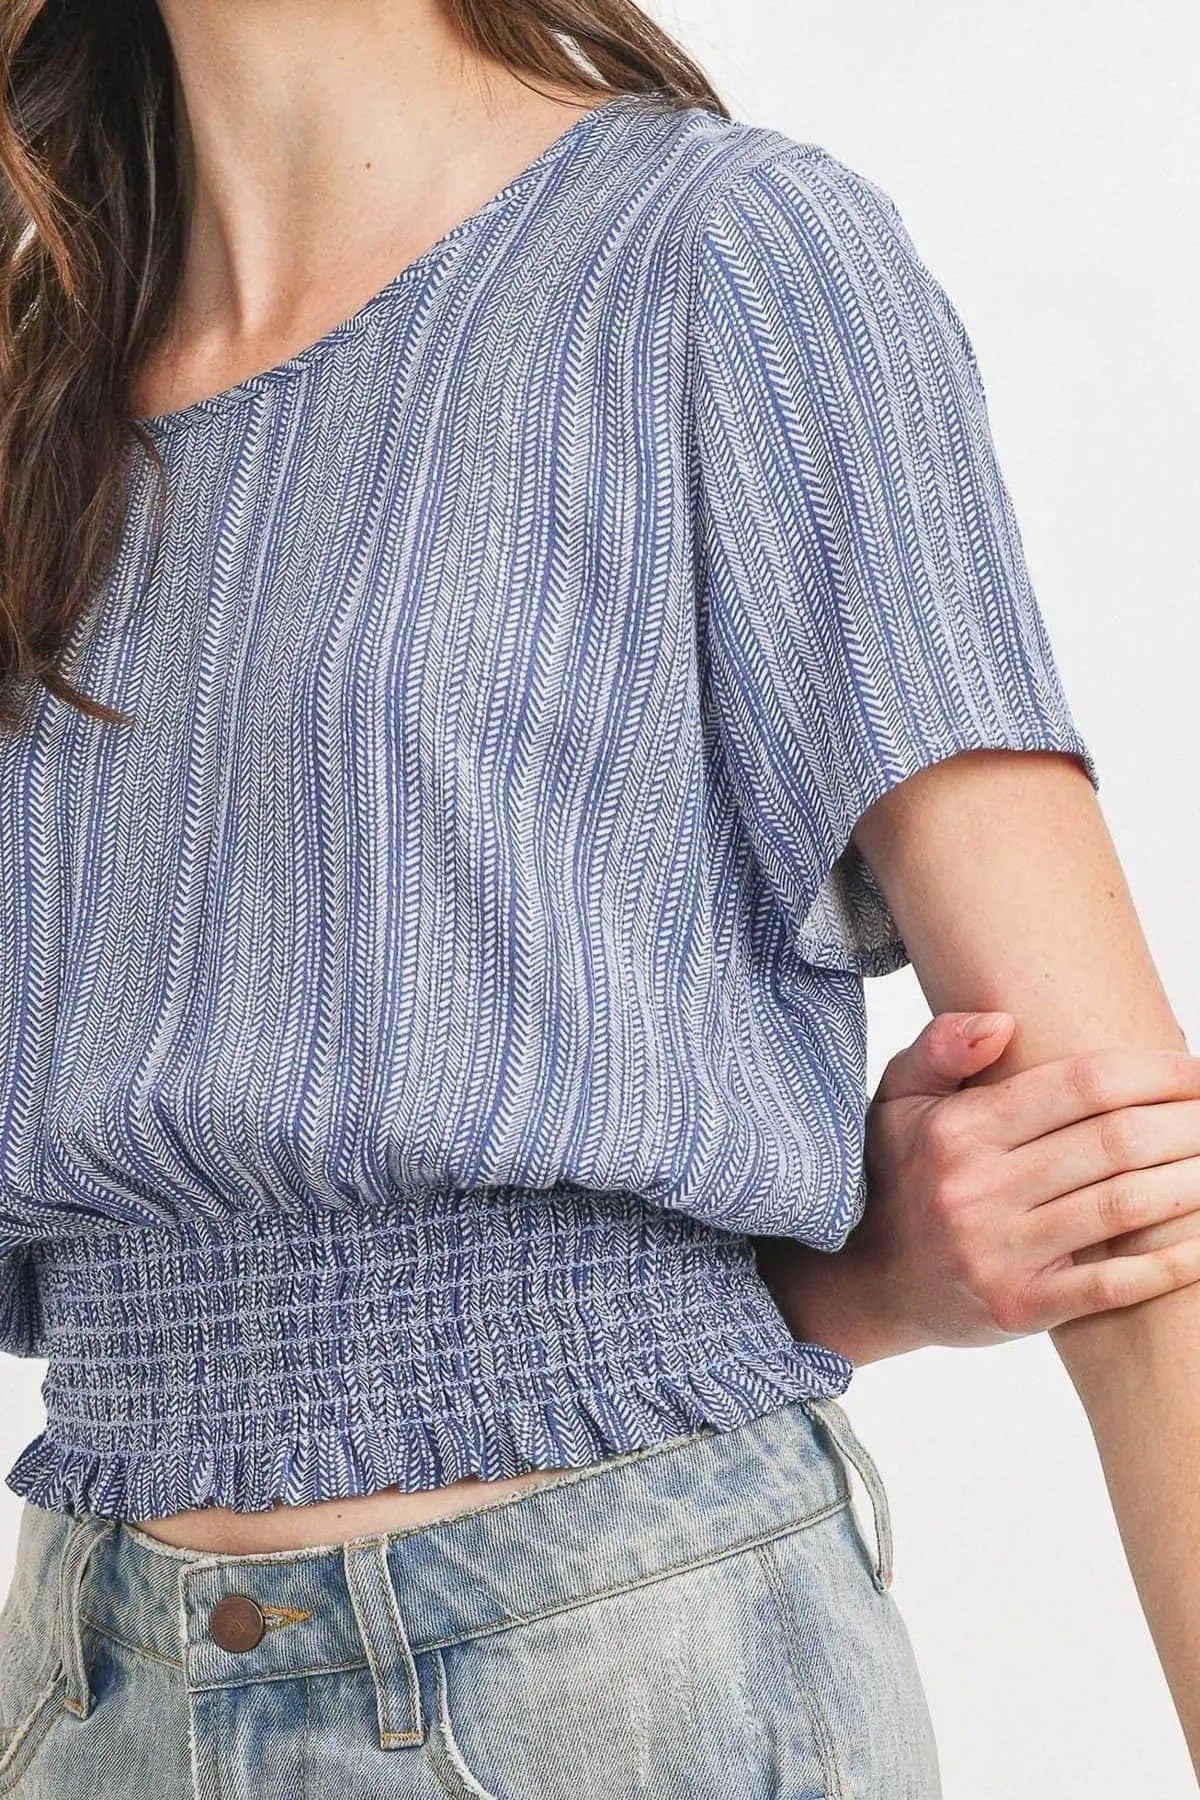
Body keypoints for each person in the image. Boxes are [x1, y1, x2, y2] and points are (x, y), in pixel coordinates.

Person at [0, 2, 1197, 1794]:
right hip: (92, 1690)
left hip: (607, 1682)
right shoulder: (36, 389)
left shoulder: (723, 261)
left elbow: (1134, 1192)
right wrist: (839, 1279)